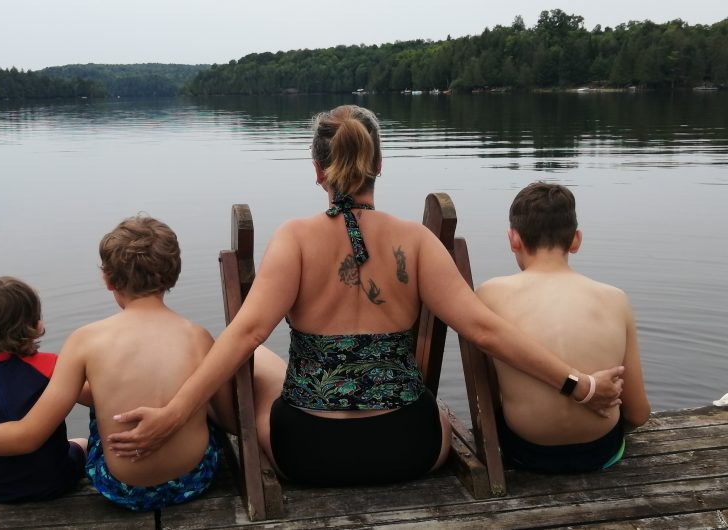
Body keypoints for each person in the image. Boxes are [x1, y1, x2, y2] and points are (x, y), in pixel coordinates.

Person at [102, 105, 624, 487]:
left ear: (316, 169)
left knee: (256, 354)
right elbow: (484, 329)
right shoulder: (415, 241)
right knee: (422, 399)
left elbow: (247, 332)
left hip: (307, 453)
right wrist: (577, 385)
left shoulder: (295, 239)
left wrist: (174, 412)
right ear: (379, 163)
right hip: (410, 448)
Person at [0, 216, 234, 511]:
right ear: (174, 275)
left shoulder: (85, 341)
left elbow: (29, 435)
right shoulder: (199, 336)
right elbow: (229, 419)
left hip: (122, 488)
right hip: (194, 480)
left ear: (107, 279)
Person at [477, 182, 650, 473]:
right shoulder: (615, 298)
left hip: (525, 452)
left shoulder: (489, 294)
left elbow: (491, 399)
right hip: (600, 451)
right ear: (576, 240)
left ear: (513, 239)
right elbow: (638, 413)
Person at [0, 276, 87, 503]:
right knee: (82, 442)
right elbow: (91, 395)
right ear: (36, 326)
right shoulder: (51, 366)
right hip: (55, 483)